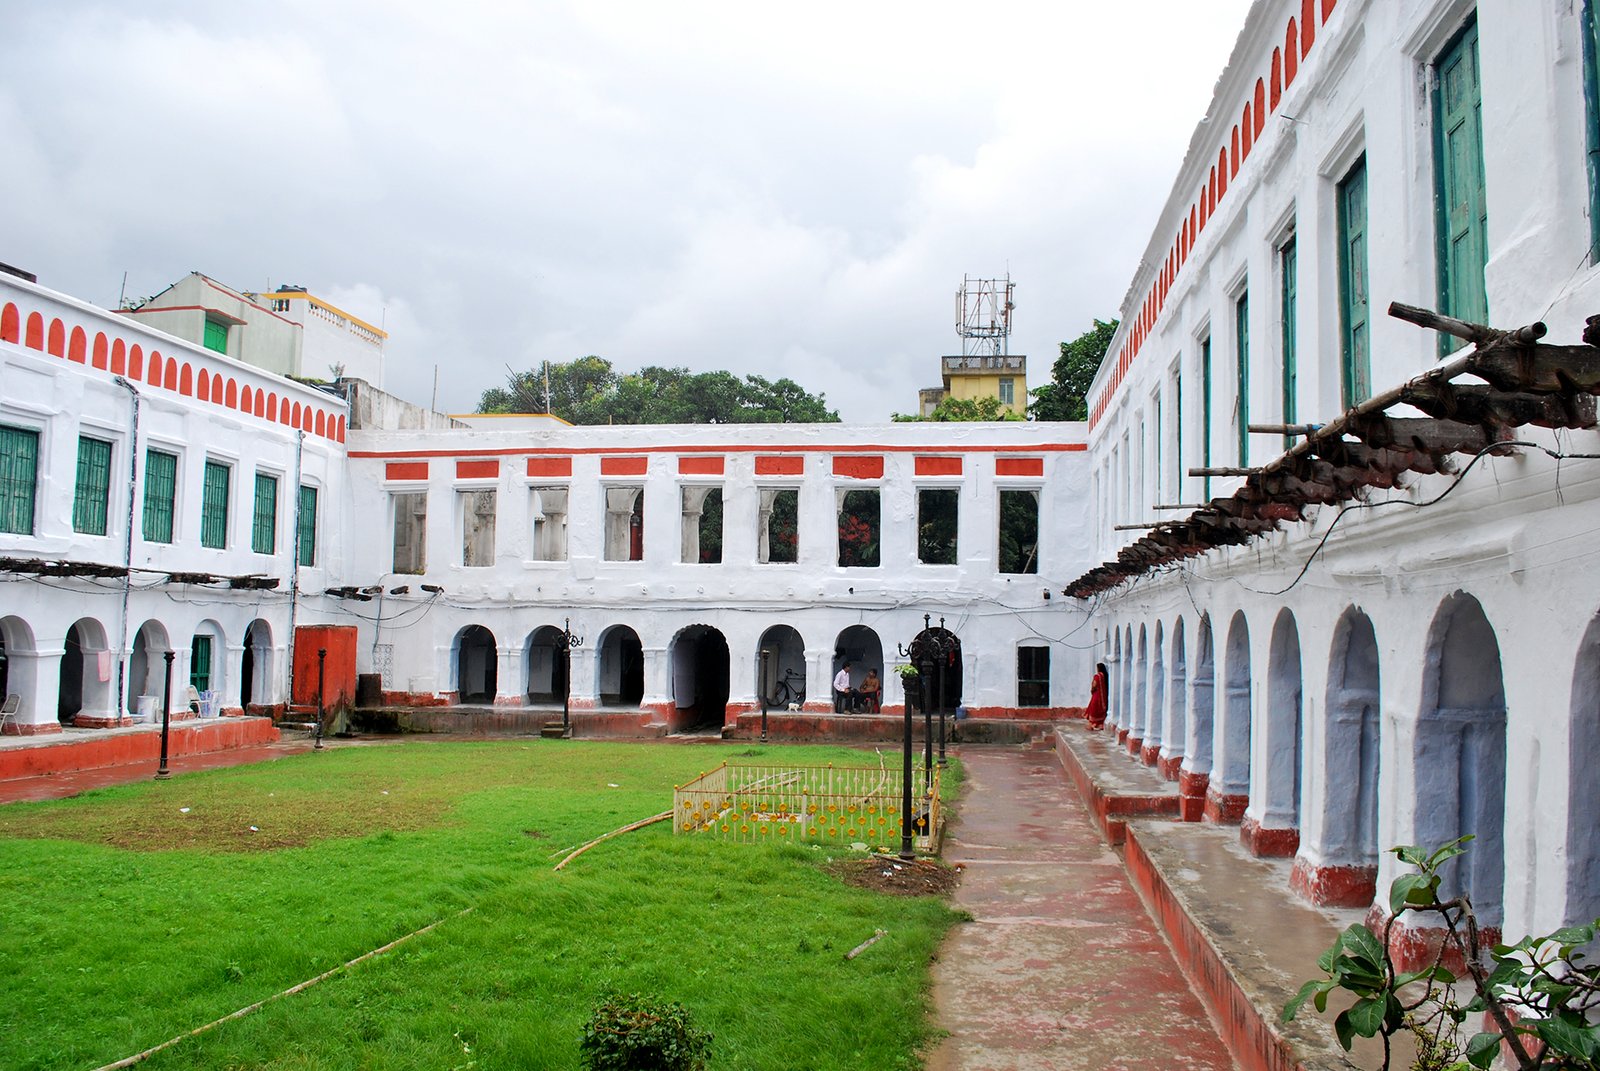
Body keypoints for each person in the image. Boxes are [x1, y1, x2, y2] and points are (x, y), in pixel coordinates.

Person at [1085, 662, 1109, 730]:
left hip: (1096, 694)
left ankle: (1093, 724)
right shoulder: (1105, 676)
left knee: (1093, 708)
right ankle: (1099, 724)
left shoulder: (1097, 676)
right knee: (1100, 708)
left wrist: (1092, 690)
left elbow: (1094, 685)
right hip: (1103, 696)